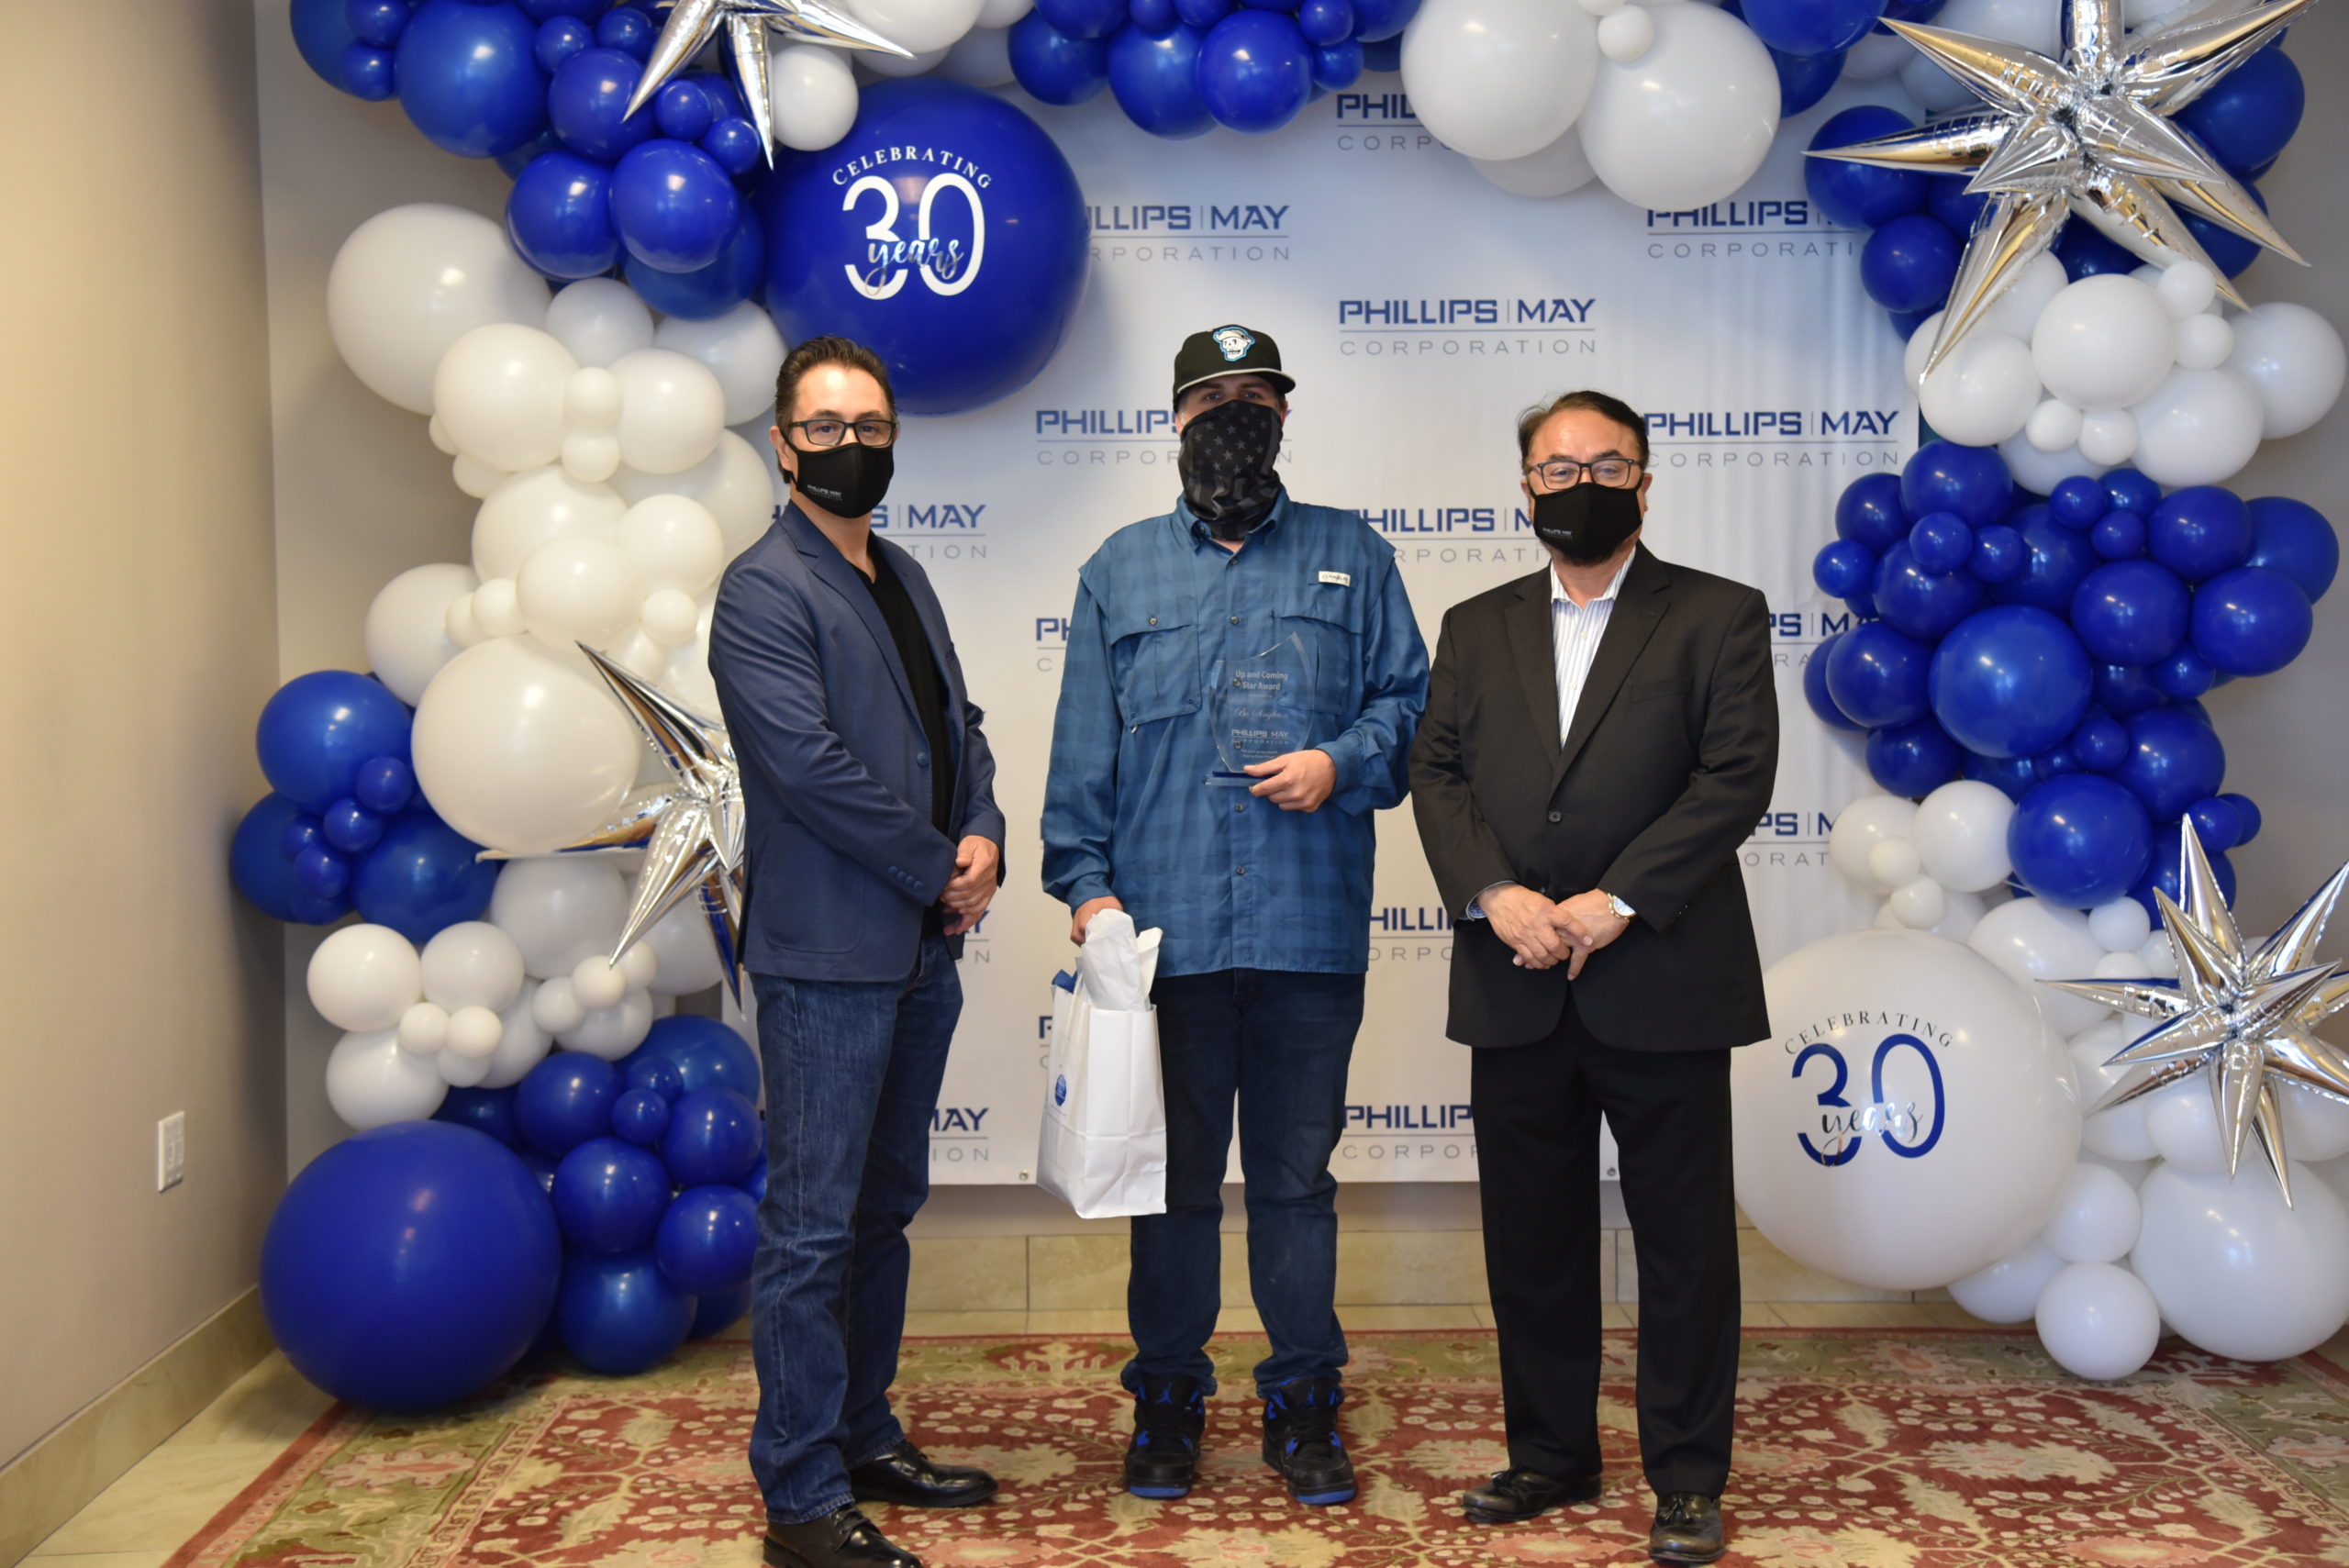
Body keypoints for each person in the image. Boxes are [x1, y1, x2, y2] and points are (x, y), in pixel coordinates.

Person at [1041, 325, 1429, 1508]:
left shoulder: (1353, 555)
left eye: (1256, 395)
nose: (1234, 415)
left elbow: (1410, 710)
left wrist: (1339, 760)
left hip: (1307, 934)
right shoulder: (1118, 570)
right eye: (1211, 399)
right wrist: (1087, 884)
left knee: (1296, 1182)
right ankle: (1166, 1397)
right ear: (1176, 420)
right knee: (1171, 1185)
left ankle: (1303, 1401)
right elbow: (1082, 750)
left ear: (1283, 416)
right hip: (1165, 944)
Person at [1408, 390, 1778, 1566]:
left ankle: (1686, 1476)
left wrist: (1613, 900)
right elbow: (1437, 773)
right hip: (1514, 975)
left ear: (1645, 482)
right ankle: (1550, 1454)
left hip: (1662, 975)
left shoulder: (1717, 613)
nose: (1581, 485)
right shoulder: (1475, 624)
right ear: (1525, 486)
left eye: (1607, 465)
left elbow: (1733, 777)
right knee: (1533, 1242)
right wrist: (1496, 894)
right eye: (1557, 468)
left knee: (1682, 1247)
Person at [709, 336, 1007, 1568]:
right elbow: (811, 770)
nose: (849, 447)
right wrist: (937, 863)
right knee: (811, 1228)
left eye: (869, 427)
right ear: (783, 445)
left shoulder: (903, 570)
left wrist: (984, 830)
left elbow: (957, 726)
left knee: (882, 1210)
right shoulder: (761, 588)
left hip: (921, 951)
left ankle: (863, 1431)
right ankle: (799, 1492)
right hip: (828, 955)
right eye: (824, 428)